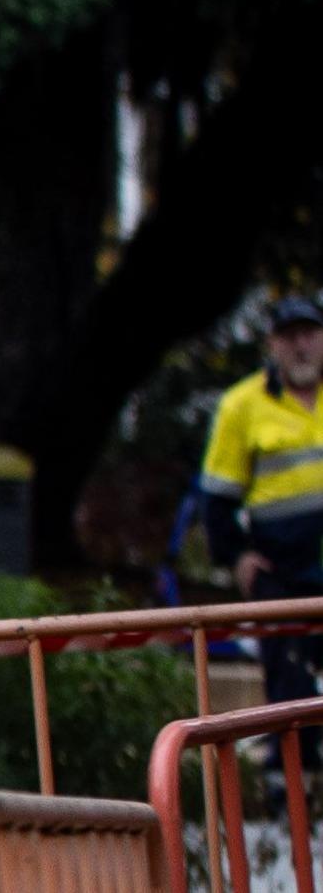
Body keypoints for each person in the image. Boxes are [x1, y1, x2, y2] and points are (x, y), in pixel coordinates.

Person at [202, 296, 323, 727]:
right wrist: (236, 556)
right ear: (273, 344)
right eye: (290, 338)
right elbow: (217, 498)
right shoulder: (243, 406)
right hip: (282, 575)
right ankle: (288, 787)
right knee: (289, 689)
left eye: (309, 335)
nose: (302, 347)